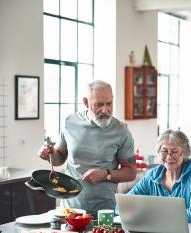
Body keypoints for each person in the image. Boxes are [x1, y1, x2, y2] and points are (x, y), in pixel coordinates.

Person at [38, 80, 136, 216]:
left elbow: (131, 172)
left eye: (109, 103)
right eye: (99, 105)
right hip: (69, 210)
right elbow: (59, 158)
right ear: (86, 102)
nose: (105, 110)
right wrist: (49, 154)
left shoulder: (121, 131)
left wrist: (106, 174)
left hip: (104, 212)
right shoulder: (70, 122)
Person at [127, 129, 191, 225]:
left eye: (174, 151)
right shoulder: (152, 176)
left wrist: (152, 215)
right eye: (164, 151)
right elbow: (123, 207)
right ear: (159, 153)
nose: (169, 157)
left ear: (184, 153)